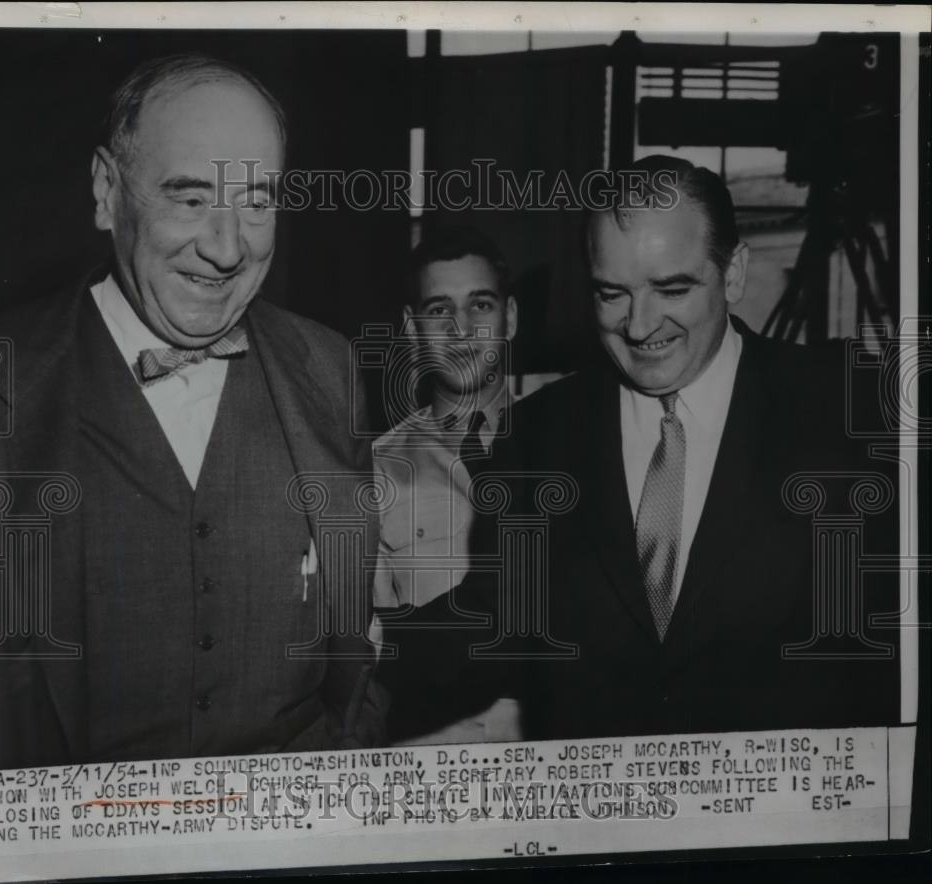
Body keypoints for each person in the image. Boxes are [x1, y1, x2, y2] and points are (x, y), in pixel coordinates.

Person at [380, 156, 899, 739]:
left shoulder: (852, 410)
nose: (640, 325)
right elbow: (494, 624)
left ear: (733, 274)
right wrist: (350, 648)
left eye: (672, 288)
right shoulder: (538, 436)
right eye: (612, 294)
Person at [0, 53, 382, 769]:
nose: (226, 249)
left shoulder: (330, 368)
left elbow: (355, 658)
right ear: (107, 191)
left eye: (256, 202)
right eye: (189, 199)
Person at [371, 226, 521, 744]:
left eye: (480, 305)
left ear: (511, 317)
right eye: (439, 310)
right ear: (412, 329)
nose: (461, 329)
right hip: (434, 753)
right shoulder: (375, 474)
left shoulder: (573, 444)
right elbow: (374, 649)